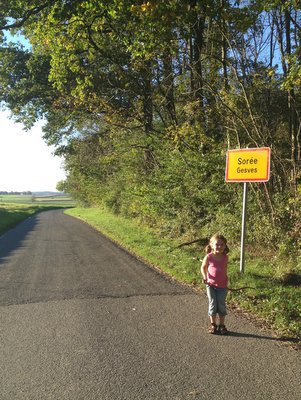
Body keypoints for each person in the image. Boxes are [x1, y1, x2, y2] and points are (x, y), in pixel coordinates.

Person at [200, 234, 229, 335]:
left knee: (221, 305)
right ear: (211, 245)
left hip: (222, 286)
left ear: (225, 246)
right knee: (213, 304)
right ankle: (213, 324)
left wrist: (225, 280)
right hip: (210, 285)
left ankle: (221, 325)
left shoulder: (225, 257)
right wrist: (205, 277)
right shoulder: (209, 257)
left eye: (222, 244)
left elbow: (224, 270)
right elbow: (203, 267)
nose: (219, 247)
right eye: (217, 244)